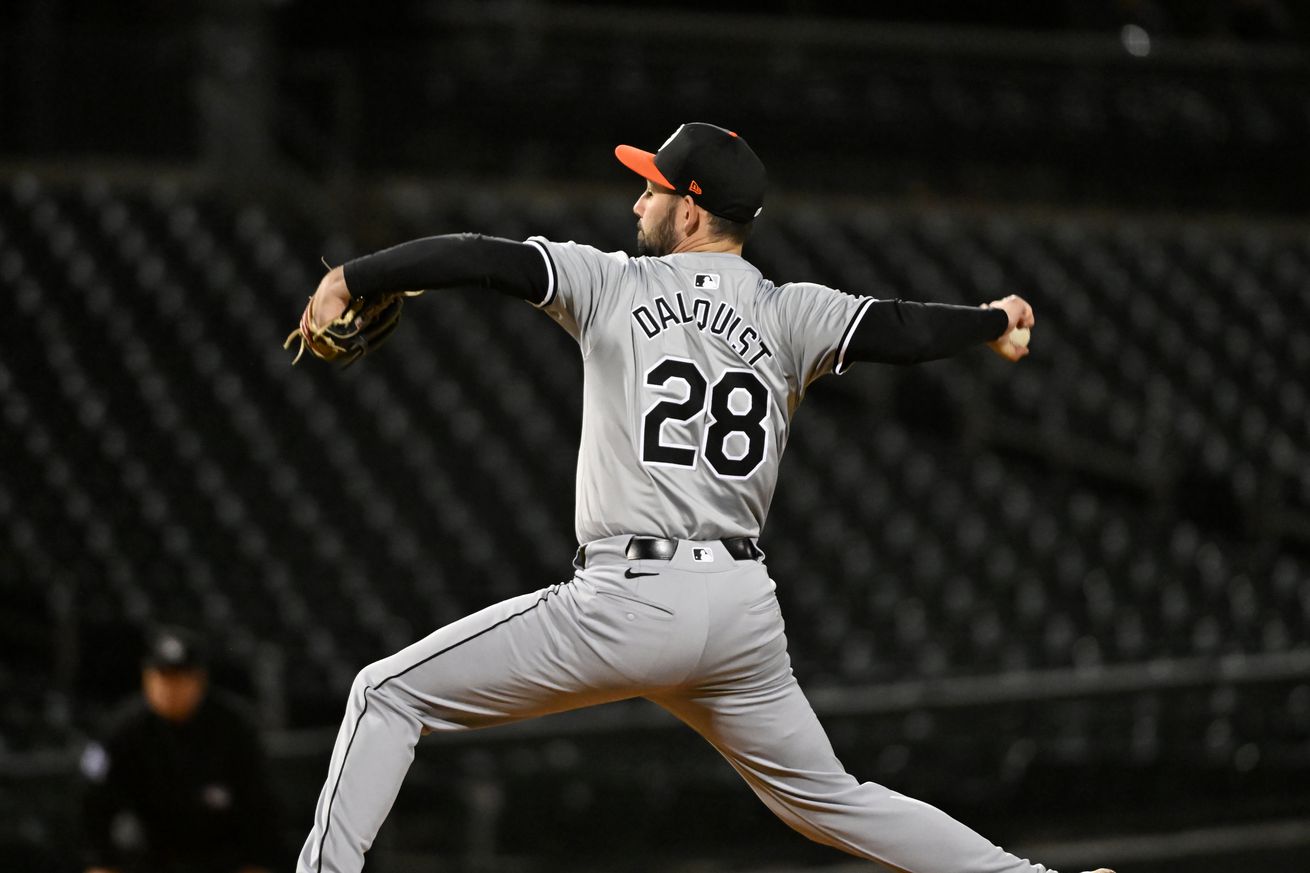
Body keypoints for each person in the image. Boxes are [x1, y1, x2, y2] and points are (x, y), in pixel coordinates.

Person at [293, 122, 1112, 873]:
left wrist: (353, 275)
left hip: (629, 599)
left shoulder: (613, 282)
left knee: (386, 692)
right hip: (740, 613)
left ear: (690, 210)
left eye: (652, 186)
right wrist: (989, 317)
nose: (637, 197)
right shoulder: (792, 311)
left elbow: (480, 255)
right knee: (832, 799)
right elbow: (902, 328)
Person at [80, 625, 282, 873]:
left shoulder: (234, 726)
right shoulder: (121, 730)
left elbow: (260, 804)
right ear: (147, 677)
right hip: (145, 858)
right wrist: (101, 863)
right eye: (163, 677)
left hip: (218, 856)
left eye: (180, 678)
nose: (170, 688)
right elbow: (93, 805)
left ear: (200, 680)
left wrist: (258, 863)